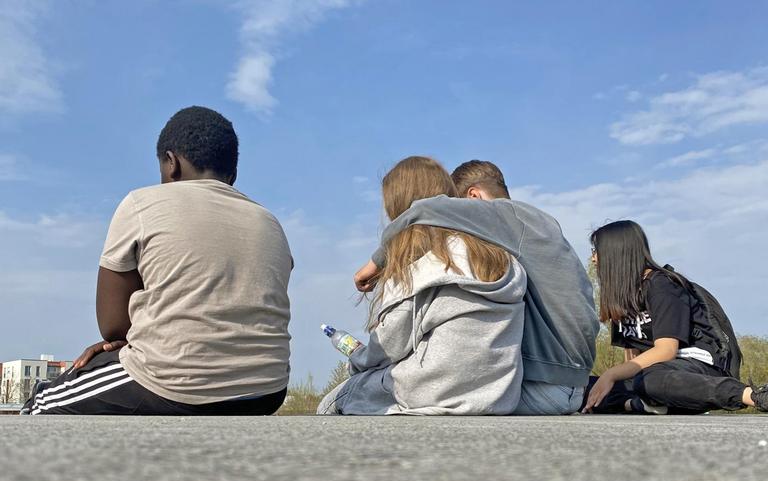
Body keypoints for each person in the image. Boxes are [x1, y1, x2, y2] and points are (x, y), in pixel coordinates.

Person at [23, 106, 292, 415]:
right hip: (267, 391)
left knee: (42, 403)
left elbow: (112, 326)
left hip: (171, 383)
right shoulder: (269, 222)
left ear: (171, 163)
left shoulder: (141, 203)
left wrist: (117, 350)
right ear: (232, 175)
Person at [353, 160, 598, 415]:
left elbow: (423, 210)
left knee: (368, 390)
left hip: (542, 386)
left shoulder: (507, 215)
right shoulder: (538, 226)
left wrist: (375, 264)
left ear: (473, 197)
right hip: (572, 384)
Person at [317, 156, 527, 415]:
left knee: (332, 402)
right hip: (497, 396)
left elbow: (387, 347)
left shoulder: (421, 269)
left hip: (429, 394)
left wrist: (356, 358)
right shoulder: (499, 257)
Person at [581, 220, 768, 414]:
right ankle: (647, 404)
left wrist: (611, 374)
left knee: (649, 381)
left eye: (596, 250)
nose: (593, 258)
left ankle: (754, 396)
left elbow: (666, 351)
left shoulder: (661, 285)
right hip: (652, 374)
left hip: (697, 367)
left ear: (616, 251)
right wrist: (612, 380)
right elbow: (633, 361)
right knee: (583, 387)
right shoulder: (622, 299)